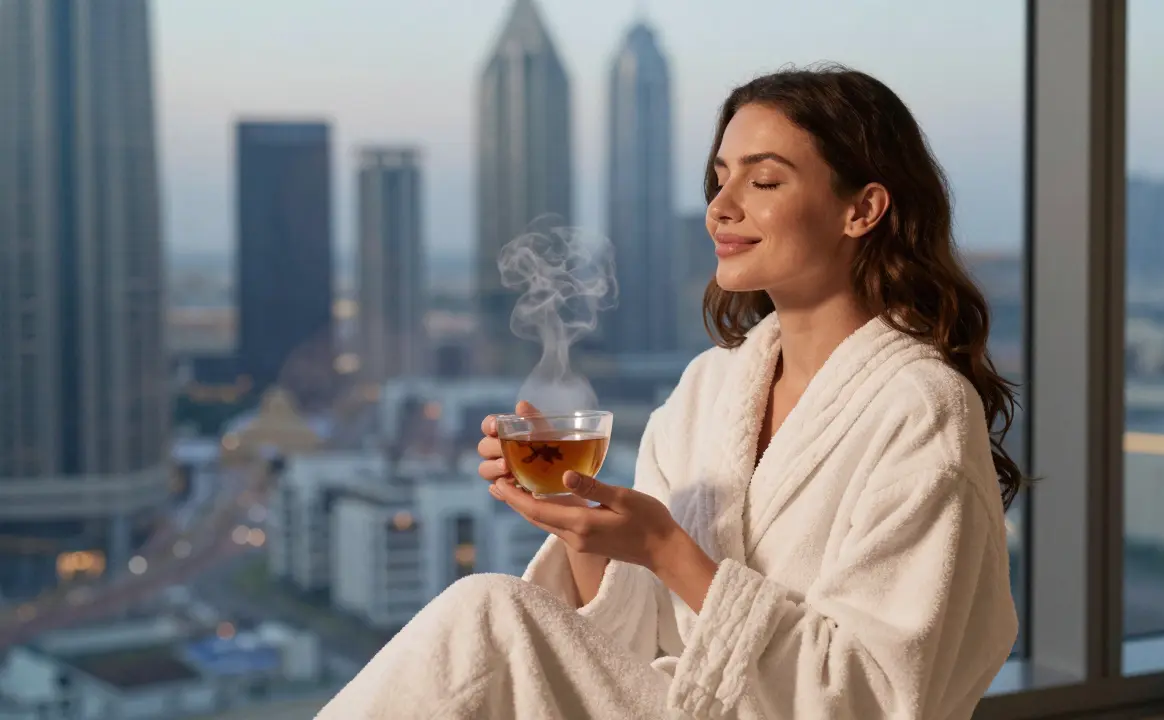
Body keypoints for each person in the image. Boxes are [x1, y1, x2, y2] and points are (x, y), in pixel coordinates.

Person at [317, 65, 1021, 720]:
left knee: (486, 612)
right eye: (719, 180)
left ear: (861, 209)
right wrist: (580, 525)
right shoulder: (709, 389)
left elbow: (882, 693)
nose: (721, 207)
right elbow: (627, 641)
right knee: (487, 619)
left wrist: (664, 545)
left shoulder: (920, 407)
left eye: (764, 183)